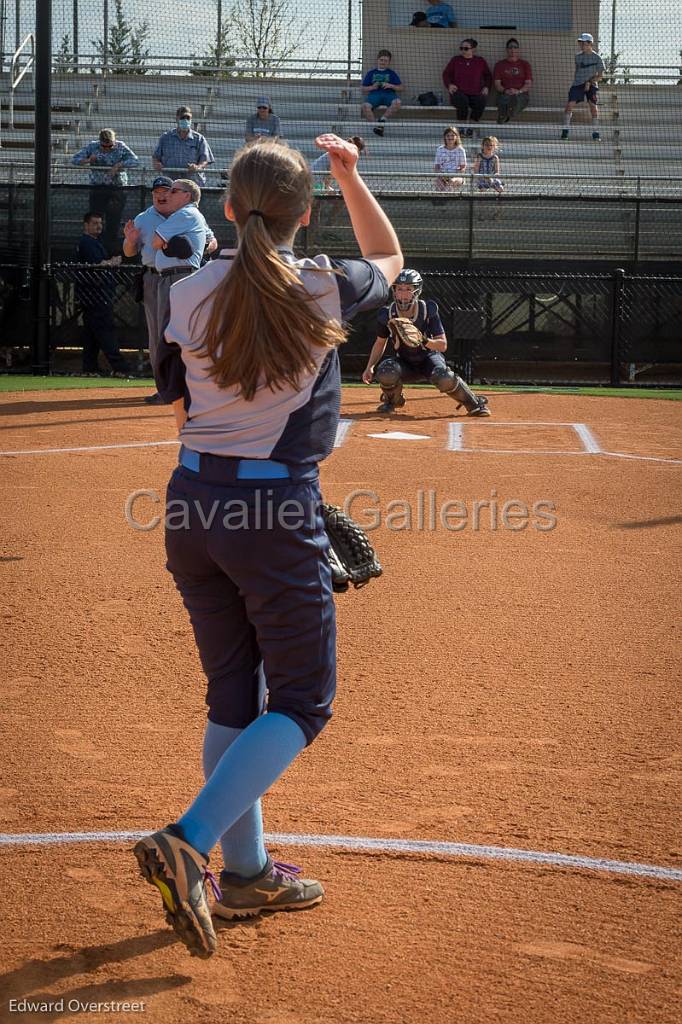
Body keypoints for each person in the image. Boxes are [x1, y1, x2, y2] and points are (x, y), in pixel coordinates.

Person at [132, 135, 401, 958]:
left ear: (224, 207)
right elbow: (387, 254)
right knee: (302, 701)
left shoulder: (186, 289)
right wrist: (351, 173)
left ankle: (247, 872)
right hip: (273, 505)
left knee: (233, 694)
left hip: (190, 500)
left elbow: (178, 405)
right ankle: (192, 838)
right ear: (304, 213)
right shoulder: (319, 283)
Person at [123, 177, 218, 403]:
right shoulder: (144, 218)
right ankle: (165, 387)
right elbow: (129, 252)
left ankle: (180, 388)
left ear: (184, 195)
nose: (162, 195)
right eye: (157, 192)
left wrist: (196, 246)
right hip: (153, 277)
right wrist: (131, 240)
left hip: (180, 274)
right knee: (158, 335)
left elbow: (212, 242)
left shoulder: (185, 214)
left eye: (169, 190)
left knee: (180, 333)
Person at [362, 268, 490, 417]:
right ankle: (392, 401)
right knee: (385, 371)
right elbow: (380, 343)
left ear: (417, 291)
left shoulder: (428, 310)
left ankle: (474, 404)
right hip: (405, 363)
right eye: (399, 289)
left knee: (444, 376)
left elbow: (442, 345)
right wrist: (369, 367)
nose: (403, 293)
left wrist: (423, 339)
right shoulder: (387, 314)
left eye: (409, 289)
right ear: (394, 291)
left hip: (429, 359)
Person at [75, 212, 130, 377]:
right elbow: (95, 265)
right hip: (95, 295)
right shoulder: (86, 243)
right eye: (94, 223)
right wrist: (111, 263)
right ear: (86, 225)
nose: (99, 226)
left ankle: (89, 367)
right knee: (105, 330)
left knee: (92, 333)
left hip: (96, 295)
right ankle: (120, 367)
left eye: (100, 223)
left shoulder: (94, 242)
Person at [72, 129, 139, 255]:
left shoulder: (121, 146)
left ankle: (112, 250)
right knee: (96, 219)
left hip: (116, 189)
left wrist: (119, 165)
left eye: (110, 146)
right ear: (100, 142)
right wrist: (88, 160)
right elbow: (75, 159)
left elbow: (135, 161)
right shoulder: (92, 146)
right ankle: (96, 249)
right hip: (98, 188)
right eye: (104, 146)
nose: (108, 149)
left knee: (113, 221)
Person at [153, 106, 215, 187]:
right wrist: (157, 164)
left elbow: (205, 160)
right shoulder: (165, 138)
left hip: (192, 184)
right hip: (171, 184)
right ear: (177, 119)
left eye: (188, 118)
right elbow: (156, 157)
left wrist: (197, 167)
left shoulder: (199, 139)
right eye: (183, 117)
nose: (185, 120)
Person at [442, 38, 492, 135]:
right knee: (462, 100)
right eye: (461, 48)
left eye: (466, 48)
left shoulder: (480, 61)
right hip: (459, 92)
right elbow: (446, 74)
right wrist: (449, 85)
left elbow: (488, 75)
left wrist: (486, 86)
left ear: (473, 49)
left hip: (475, 93)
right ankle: (461, 128)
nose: (463, 51)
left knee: (481, 100)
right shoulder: (456, 60)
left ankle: (472, 128)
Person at [561, 32, 604, 140]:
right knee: (569, 105)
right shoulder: (578, 57)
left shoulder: (597, 58)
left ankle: (596, 134)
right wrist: (578, 83)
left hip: (592, 85)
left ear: (590, 44)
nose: (581, 45)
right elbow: (577, 71)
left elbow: (600, 76)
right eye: (580, 43)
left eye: (583, 43)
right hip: (577, 84)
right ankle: (565, 132)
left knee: (593, 107)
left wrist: (589, 82)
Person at [361, 49, 402, 136]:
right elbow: (363, 88)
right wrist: (372, 87)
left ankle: (382, 120)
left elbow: (401, 87)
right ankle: (376, 127)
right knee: (365, 106)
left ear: (389, 62)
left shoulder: (392, 73)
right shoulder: (371, 73)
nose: (383, 62)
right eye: (381, 60)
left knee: (398, 102)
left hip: (389, 94)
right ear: (377, 60)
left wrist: (391, 85)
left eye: (386, 61)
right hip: (374, 95)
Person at [493, 38, 533, 124]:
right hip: (505, 93)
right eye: (510, 47)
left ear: (518, 49)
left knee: (516, 99)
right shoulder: (499, 65)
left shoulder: (525, 64)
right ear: (507, 49)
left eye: (515, 47)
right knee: (504, 99)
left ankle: (506, 116)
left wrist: (518, 91)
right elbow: (497, 84)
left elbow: (528, 83)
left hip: (521, 94)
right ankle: (504, 116)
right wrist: (506, 90)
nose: (513, 49)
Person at [433, 126, 466, 191]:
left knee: (451, 183)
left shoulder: (461, 150)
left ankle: (449, 199)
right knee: (439, 185)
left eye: (452, 135)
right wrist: (442, 176)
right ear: (445, 137)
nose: (450, 137)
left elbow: (463, 167)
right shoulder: (440, 149)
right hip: (442, 175)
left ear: (456, 137)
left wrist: (455, 175)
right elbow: (436, 166)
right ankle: (439, 200)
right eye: (448, 135)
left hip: (457, 177)